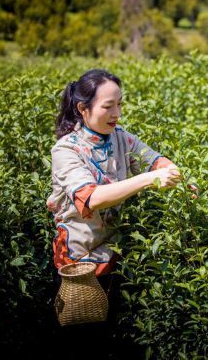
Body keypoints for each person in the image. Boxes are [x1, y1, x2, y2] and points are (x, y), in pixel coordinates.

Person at [46, 69, 196, 357]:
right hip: (80, 265)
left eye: (119, 104)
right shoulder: (66, 150)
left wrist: (179, 175)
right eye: (108, 106)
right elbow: (91, 198)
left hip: (118, 259)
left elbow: (154, 160)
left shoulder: (121, 138)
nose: (116, 113)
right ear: (82, 108)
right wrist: (148, 180)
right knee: (82, 344)